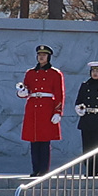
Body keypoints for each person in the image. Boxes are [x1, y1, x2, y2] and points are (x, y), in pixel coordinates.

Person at [19, 45, 64, 176]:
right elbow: (25, 88)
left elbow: (59, 94)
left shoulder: (55, 73)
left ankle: (44, 170)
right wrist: (22, 93)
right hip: (33, 107)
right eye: (39, 55)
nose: (41, 57)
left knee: (44, 141)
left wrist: (57, 111)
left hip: (46, 107)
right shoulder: (30, 73)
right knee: (33, 141)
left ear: (48, 57)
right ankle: (35, 169)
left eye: (44, 55)